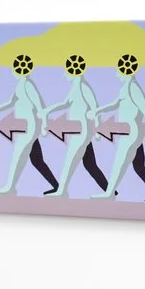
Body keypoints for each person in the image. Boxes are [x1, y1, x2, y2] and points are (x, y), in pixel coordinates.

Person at [0, 54, 60, 196]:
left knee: (17, 156)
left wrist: (44, 126)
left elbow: (40, 107)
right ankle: (56, 186)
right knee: (37, 161)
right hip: (27, 127)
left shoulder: (27, 85)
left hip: (29, 128)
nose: (12, 71)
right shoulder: (20, 85)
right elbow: (11, 102)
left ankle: (10, 187)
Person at [97, 54, 145, 202]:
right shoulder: (126, 88)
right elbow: (114, 104)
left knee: (118, 162)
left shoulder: (133, 88)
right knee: (139, 166)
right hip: (132, 132)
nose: (117, 73)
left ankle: (109, 193)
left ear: (125, 71)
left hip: (131, 133)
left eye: (118, 70)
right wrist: (98, 111)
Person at [45, 54, 113, 196]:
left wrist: (98, 129)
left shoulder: (83, 87)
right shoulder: (76, 87)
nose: (64, 74)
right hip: (81, 132)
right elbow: (65, 103)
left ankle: (61, 191)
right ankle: (110, 191)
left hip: (82, 132)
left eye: (66, 71)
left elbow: (95, 107)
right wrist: (48, 110)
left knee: (69, 162)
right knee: (90, 165)